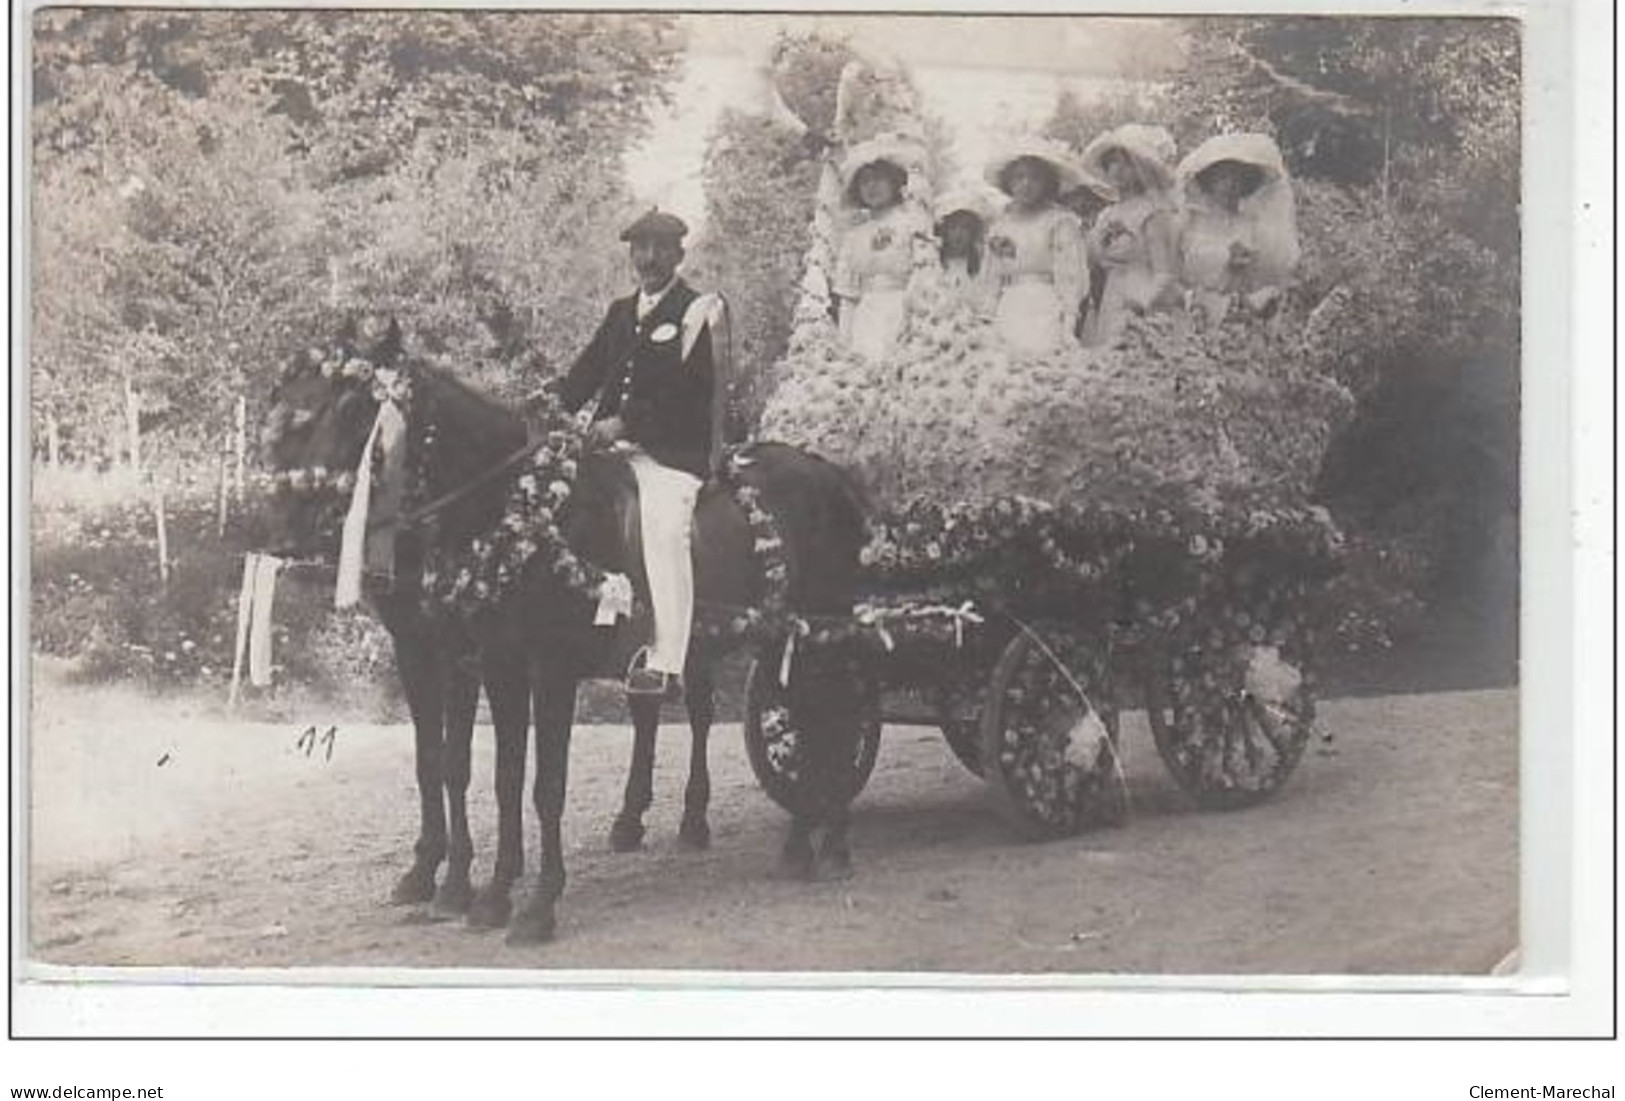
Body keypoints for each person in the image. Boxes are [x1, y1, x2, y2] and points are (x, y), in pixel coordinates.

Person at [555, 209, 730, 698]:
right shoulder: (619, 312)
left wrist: (625, 424)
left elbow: (690, 394)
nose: (649, 258)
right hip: (612, 450)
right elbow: (585, 373)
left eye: (660, 248)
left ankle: (666, 662)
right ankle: (582, 636)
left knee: (663, 527)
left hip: (673, 453)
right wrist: (549, 407)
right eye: (641, 248)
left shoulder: (698, 312)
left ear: (679, 254)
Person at [1175, 132, 1301, 323]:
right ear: (1209, 179)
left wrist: (1246, 265)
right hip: (1190, 309)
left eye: (1238, 178)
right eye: (1223, 177)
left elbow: (1265, 276)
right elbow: (1177, 264)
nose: (1230, 185)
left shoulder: (1251, 225)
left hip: (1237, 316)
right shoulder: (1193, 220)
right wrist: (1221, 256)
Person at [981, 140, 1090, 357]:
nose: (1026, 184)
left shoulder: (1059, 221)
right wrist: (987, 315)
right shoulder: (1001, 225)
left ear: (1047, 183)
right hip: (1009, 307)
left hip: (1046, 306)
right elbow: (992, 277)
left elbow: (1069, 275)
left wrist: (1068, 325)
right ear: (1009, 183)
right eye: (1019, 177)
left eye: (1035, 178)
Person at [830, 135, 932, 362]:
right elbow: (848, 296)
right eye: (865, 181)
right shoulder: (853, 237)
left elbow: (923, 278)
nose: (871, 186)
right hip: (865, 319)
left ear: (894, 183)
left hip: (903, 312)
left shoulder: (911, 224)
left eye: (879, 179)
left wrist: (913, 321)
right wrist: (845, 342)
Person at [1079, 124, 1181, 346]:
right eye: (1112, 162)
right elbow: (1093, 261)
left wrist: (1142, 303)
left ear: (1141, 169)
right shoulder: (1107, 214)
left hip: (1141, 296)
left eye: (1126, 163)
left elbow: (1164, 274)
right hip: (1111, 295)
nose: (1117, 170)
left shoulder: (1151, 211)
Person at [930, 187, 1000, 315]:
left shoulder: (984, 264)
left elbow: (990, 299)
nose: (959, 234)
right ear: (944, 230)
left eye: (965, 228)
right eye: (953, 227)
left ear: (973, 232)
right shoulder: (932, 263)